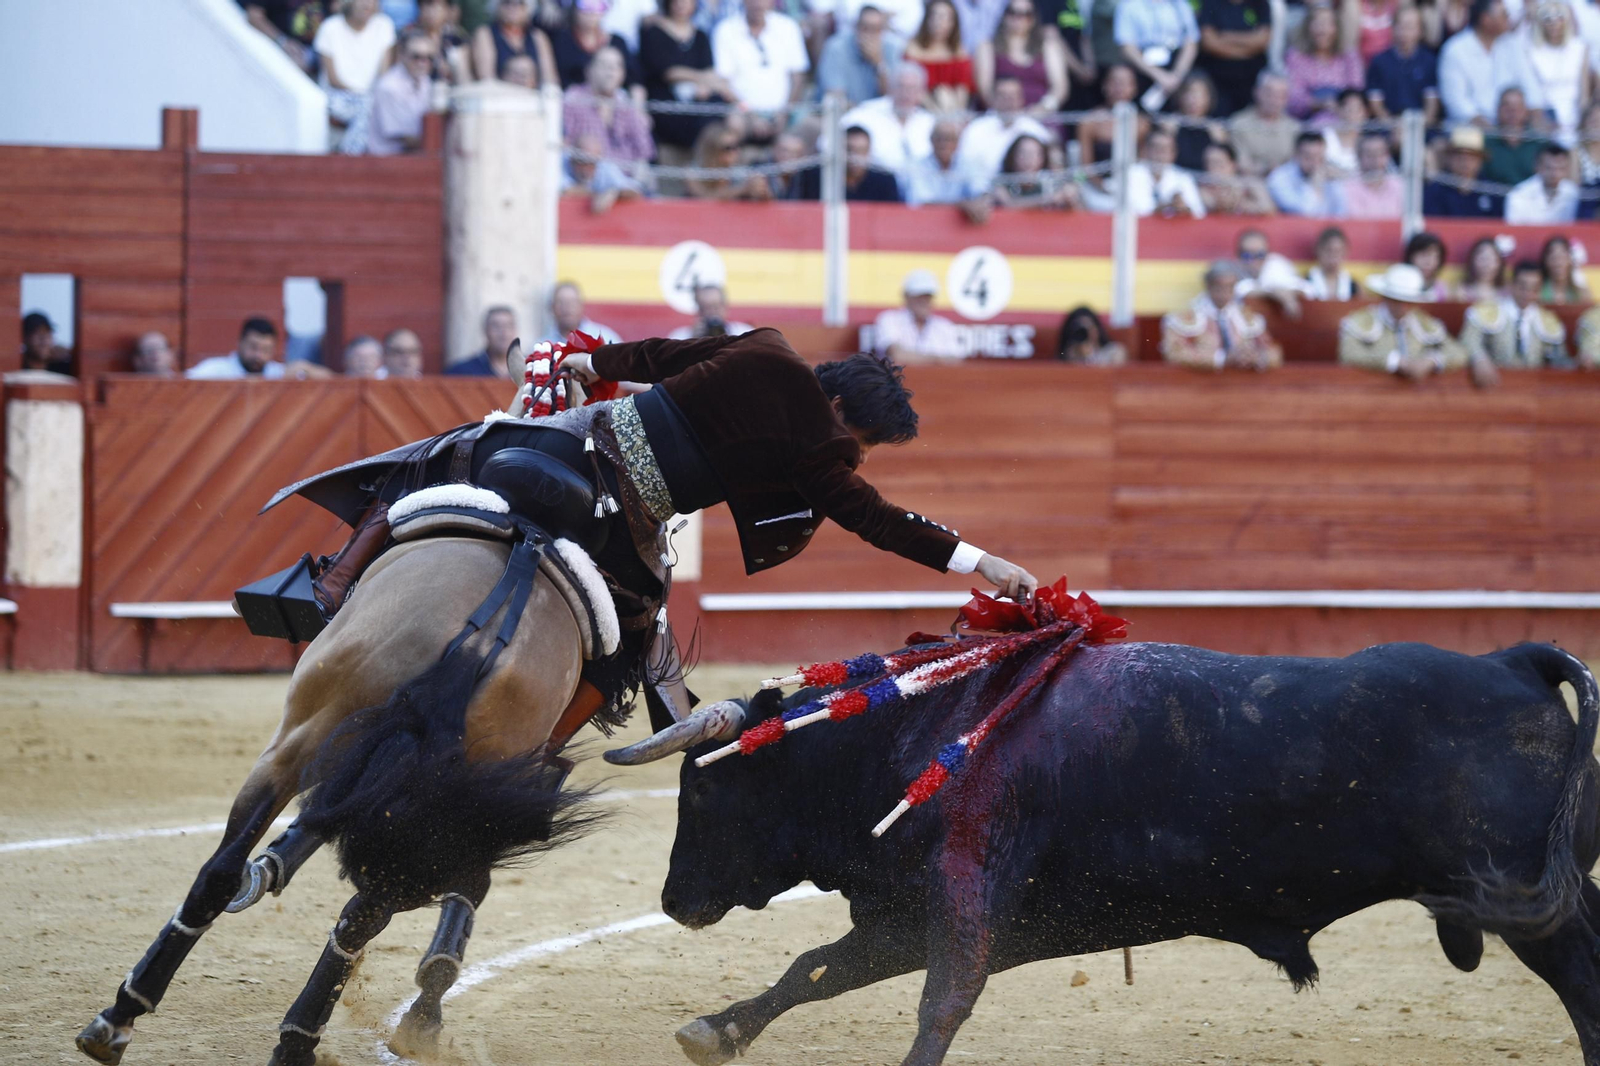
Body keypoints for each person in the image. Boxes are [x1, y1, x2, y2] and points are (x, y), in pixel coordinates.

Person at [1338, 264, 1475, 381]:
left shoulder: (1424, 322)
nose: (1403, 307)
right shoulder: (1362, 320)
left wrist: (1431, 361)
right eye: (1397, 300)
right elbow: (1348, 353)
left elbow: (1459, 353)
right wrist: (1395, 361)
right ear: (1385, 297)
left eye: (1408, 302)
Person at [639, 0, 734, 152]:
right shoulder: (653, 31)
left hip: (696, 101)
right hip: (666, 102)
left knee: (717, 104)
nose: (681, 4)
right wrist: (700, 79)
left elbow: (709, 70)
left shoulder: (700, 35)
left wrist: (704, 85)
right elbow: (667, 72)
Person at [1161, 260, 1282, 370]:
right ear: (1208, 286)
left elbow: (1273, 352)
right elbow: (1174, 353)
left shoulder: (1248, 318)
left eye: (1230, 287)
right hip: (1202, 386)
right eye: (1219, 287)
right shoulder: (1185, 318)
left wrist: (1258, 357)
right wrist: (1222, 359)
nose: (1225, 294)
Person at [315, 0, 399, 153]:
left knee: (373, 105)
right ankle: (350, 159)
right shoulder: (330, 27)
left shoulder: (384, 25)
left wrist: (373, 96)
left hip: (371, 98)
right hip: (336, 97)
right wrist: (364, 96)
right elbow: (333, 80)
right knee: (368, 107)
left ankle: (349, 155)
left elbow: (384, 74)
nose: (368, 4)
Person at [1460, 259, 1569, 371]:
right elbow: (1469, 340)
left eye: (1534, 289)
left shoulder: (1549, 320)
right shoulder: (1487, 311)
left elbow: (1559, 358)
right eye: (1523, 287)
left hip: (1534, 384)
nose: (1528, 294)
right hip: (1493, 382)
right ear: (1512, 284)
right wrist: (1479, 359)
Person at [1501, 1, 1588, 140]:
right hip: (1543, 115)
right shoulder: (1531, 49)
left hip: (1574, 115)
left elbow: (1584, 93)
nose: (1554, 23)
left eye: (1559, 18)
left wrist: (1583, 121)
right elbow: (1508, 41)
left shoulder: (1579, 47)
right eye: (1548, 19)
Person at [712, 0, 810, 116]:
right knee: (734, 126)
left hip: (786, 113)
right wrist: (750, 114)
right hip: (743, 114)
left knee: (814, 127)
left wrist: (784, 114)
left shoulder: (788, 27)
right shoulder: (726, 30)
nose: (757, 3)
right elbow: (724, 83)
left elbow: (798, 76)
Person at [564, 47, 655, 166]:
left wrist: (639, 110)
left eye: (617, 66)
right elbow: (564, 146)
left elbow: (645, 150)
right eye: (604, 65)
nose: (611, 71)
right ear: (589, 70)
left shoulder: (625, 103)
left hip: (625, 177)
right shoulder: (573, 99)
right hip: (586, 175)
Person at [841, 63, 936, 176]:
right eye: (901, 86)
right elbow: (827, 142)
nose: (906, 94)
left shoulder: (930, 122)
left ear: (922, 93)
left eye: (912, 88)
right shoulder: (865, 113)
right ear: (890, 88)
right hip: (876, 185)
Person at [975, 0, 1069, 113]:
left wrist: (1043, 109)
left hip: (1042, 118)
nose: (1018, 18)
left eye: (1026, 14)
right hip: (1000, 117)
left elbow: (1060, 88)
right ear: (1004, 15)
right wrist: (1006, 112)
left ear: (1034, 18)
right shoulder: (987, 47)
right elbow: (985, 90)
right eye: (1013, 12)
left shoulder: (1048, 47)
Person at [959, 75, 1054, 182]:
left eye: (1013, 97)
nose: (1009, 102)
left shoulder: (1036, 131)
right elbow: (966, 167)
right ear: (993, 98)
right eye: (1004, 96)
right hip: (982, 193)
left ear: (1021, 99)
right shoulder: (975, 130)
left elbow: (1048, 170)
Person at [1284, 4, 1363, 125]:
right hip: (1308, 123)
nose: (1322, 30)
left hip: (1346, 120)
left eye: (1328, 24)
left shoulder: (1349, 56)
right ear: (1308, 27)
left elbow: (1356, 91)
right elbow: (1294, 100)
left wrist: (1341, 107)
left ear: (1336, 28)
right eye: (1317, 24)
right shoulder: (1296, 57)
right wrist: (1321, 104)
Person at [1438, 0, 1512, 125]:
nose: (1508, 18)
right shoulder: (1455, 50)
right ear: (1486, 20)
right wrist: (1483, 124)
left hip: (1506, 129)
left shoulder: (1508, 46)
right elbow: (1455, 101)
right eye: (1504, 14)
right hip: (1467, 129)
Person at [1114, 0, 1200, 104]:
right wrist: (1159, 75)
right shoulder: (1129, 5)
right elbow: (1126, 47)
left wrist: (1176, 76)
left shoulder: (1180, 5)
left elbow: (1191, 42)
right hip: (1141, 69)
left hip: (1174, 70)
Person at [1195, 0, 1272, 116]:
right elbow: (1209, 42)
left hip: (1250, 77)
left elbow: (1262, 40)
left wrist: (1227, 36)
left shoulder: (1260, 3)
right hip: (1218, 77)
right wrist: (1247, 49)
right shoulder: (1211, 3)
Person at [872, 270, 967, 362]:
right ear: (906, 296)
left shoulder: (944, 326)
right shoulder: (889, 320)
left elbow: (956, 360)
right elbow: (898, 355)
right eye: (918, 296)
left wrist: (918, 358)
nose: (923, 301)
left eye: (927, 296)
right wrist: (937, 359)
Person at [817, 4, 902, 106]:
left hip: (881, 116)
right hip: (846, 115)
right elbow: (836, 96)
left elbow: (894, 98)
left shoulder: (892, 48)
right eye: (866, 28)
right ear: (856, 27)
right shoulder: (836, 48)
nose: (870, 35)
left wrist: (879, 64)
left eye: (876, 29)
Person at [1366, 4, 1439, 121]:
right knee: (1375, 141)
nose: (1404, 32)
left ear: (1420, 31)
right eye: (1400, 26)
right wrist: (1392, 126)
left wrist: (1418, 128)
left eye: (1410, 27)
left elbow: (1431, 104)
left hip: (1421, 125)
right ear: (1393, 28)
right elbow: (1375, 103)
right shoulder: (1379, 61)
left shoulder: (1429, 61)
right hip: (1387, 128)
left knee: (1440, 140)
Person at [550, 0, 642, 92]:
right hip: (571, 100)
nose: (591, 11)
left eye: (599, 5)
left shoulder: (618, 42)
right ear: (574, 7)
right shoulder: (562, 39)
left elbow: (635, 81)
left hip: (614, 102)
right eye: (585, 4)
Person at [368, 31, 436, 155]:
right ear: (402, 55)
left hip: (413, 156)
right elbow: (405, 138)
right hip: (388, 161)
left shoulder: (425, 81)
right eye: (416, 57)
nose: (423, 63)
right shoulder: (389, 86)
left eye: (429, 58)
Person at [904, 119, 992, 211]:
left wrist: (980, 203)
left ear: (958, 143)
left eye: (949, 139)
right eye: (939, 139)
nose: (944, 144)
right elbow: (922, 202)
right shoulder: (917, 166)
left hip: (961, 223)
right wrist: (962, 205)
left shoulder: (969, 164)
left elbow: (980, 190)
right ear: (931, 140)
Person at [1077, 64, 1149, 176]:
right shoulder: (1089, 121)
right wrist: (1104, 189)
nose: (1119, 88)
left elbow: (1143, 163)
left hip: (1133, 183)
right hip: (1096, 187)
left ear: (1134, 88)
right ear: (1104, 86)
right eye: (1115, 82)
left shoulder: (1142, 123)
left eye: (1125, 83)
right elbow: (1085, 167)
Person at [905, 0, 977, 112]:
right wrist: (935, 111)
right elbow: (913, 88)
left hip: (952, 110)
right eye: (934, 16)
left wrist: (954, 114)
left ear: (953, 22)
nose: (938, 22)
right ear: (927, 19)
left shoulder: (960, 53)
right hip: (921, 110)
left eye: (944, 17)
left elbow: (962, 90)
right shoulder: (913, 50)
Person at [1422, 125, 1505, 217]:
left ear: (1480, 161)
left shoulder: (1492, 192)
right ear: (1449, 158)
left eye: (1471, 157)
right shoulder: (1435, 191)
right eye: (1459, 157)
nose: (1465, 162)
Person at [1229, 71, 1299, 177]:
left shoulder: (1295, 128)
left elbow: (1298, 165)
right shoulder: (1238, 124)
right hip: (1249, 184)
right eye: (1269, 93)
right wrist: (1267, 169)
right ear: (1257, 92)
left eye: (1281, 95)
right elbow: (1240, 164)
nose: (1274, 100)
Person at [1127, 126, 1207, 217]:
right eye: (1156, 148)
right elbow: (1137, 211)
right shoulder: (1131, 174)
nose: (1160, 154)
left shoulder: (1182, 177)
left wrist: (1184, 208)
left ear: (1173, 154)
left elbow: (1199, 214)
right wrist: (1167, 206)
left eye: (1165, 150)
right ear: (1146, 150)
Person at [471, 0, 557, 85]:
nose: (512, 7)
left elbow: (550, 79)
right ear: (496, 6)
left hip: (533, 95)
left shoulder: (538, 36)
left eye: (520, 3)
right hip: (499, 94)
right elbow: (486, 79)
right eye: (507, 2)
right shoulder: (485, 34)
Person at [1267, 131, 1347, 216]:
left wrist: (1336, 183)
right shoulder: (1279, 178)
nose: (1314, 162)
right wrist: (1316, 186)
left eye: (1319, 157)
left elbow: (1341, 212)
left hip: (1327, 227)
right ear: (1296, 154)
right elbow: (1304, 212)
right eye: (1308, 157)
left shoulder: (1329, 176)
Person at [992, 134, 1080, 209]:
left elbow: (1076, 209)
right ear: (1013, 157)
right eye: (1023, 153)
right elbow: (1009, 205)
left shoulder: (1050, 182)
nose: (1028, 160)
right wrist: (1049, 199)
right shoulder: (1002, 181)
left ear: (1042, 159)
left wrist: (1069, 199)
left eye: (1034, 154)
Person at [685, 122, 771, 200]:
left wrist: (762, 191)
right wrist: (743, 190)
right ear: (713, 150)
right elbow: (705, 198)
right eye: (729, 148)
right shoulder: (694, 171)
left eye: (737, 146)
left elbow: (767, 202)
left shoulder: (741, 172)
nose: (735, 151)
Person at [1483, 87, 1549, 187]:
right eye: (1506, 105)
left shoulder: (1540, 142)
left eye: (1518, 106)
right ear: (1498, 110)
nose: (1512, 110)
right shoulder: (1486, 143)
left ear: (1526, 111)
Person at [187, 318, 291, 379]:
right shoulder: (215, 370)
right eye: (253, 347)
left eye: (266, 350)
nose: (258, 355)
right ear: (240, 343)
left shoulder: (278, 373)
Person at [1234, 227, 1311, 309]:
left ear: (1268, 254)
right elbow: (1239, 292)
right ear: (1238, 256)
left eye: (1260, 255)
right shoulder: (1232, 271)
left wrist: (1288, 294)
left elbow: (1306, 290)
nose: (1255, 260)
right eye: (1247, 255)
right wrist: (1273, 293)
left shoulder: (1276, 265)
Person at [1168, 72, 1229, 172]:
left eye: (1200, 94)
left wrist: (1220, 142)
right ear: (1180, 96)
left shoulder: (1216, 129)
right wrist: (1168, 134)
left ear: (1209, 98)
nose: (1194, 100)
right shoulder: (1170, 124)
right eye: (1190, 93)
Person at [1505, 142, 1580, 224]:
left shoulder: (1573, 193)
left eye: (1561, 169)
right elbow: (1513, 229)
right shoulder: (1518, 194)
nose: (1555, 174)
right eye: (1549, 168)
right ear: (1537, 166)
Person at [1200, 142, 1276, 214]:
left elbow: (1269, 210)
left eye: (1218, 163)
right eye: (1209, 163)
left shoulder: (1250, 184)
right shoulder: (1203, 188)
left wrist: (1242, 203)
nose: (1213, 168)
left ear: (1233, 164)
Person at [1341, 130, 1403, 218]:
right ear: (1359, 157)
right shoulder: (1347, 187)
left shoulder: (1399, 186)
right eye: (1369, 154)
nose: (1375, 160)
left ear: (1387, 156)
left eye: (1380, 153)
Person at [447, 305, 519, 376]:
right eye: (496, 326)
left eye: (508, 326)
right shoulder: (462, 372)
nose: (503, 333)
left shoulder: (527, 369)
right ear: (485, 330)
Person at [545, 281, 623, 344]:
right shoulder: (542, 346)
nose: (567, 308)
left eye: (572, 302)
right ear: (552, 308)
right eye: (561, 302)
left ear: (581, 305)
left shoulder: (606, 338)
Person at [669, 282, 755, 338]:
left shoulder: (744, 333)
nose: (712, 313)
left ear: (724, 307)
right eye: (706, 308)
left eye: (716, 307)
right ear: (698, 310)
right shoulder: (680, 336)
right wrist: (692, 340)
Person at [412, 0, 469, 84]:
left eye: (437, 7)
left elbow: (465, 73)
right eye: (428, 6)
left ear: (447, 10)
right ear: (420, 8)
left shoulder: (457, 37)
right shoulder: (410, 35)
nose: (432, 12)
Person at [1057, 305, 1127, 363]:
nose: (1084, 333)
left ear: (1097, 328)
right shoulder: (1069, 354)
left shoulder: (1114, 351)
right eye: (1080, 330)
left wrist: (1090, 355)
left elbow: (1115, 374)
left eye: (1088, 327)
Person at [1304, 225, 1355, 299]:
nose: (1333, 256)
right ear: (1318, 250)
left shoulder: (1353, 286)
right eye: (1329, 250)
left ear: (1345, 252)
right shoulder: (1306, 283)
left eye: (1338, 251)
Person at [1454, 236, 1509, 301]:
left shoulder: (1507, 293)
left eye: (1491, 259)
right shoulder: (1462, 292)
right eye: (1482, 259)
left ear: (1500, 263)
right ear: (1472, 260)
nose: (1486, 265)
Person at [1403, 230, 1452, 301]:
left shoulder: (1442, 291)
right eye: (1424, 255)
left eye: (1435, 257)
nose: (1429, 262)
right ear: (1411, 256)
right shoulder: (1399, 285)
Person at [1540, 234, 1589, 304]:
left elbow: (1588, 307)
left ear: (1570, 260)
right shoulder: (1538, 288)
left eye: (1562, 258)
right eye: (1554, 258)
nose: (1558, 263)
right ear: (1545, 261)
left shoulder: (1578, 289)